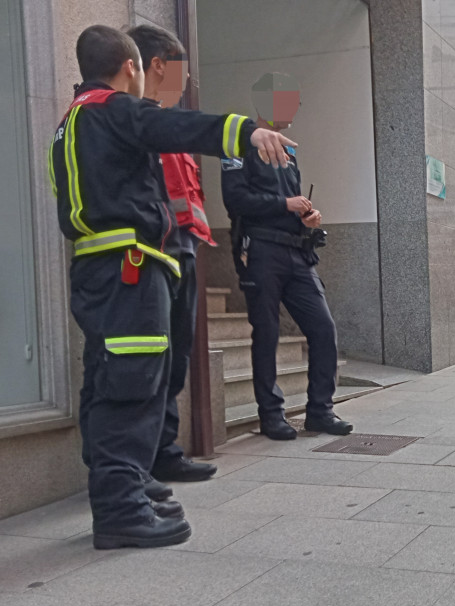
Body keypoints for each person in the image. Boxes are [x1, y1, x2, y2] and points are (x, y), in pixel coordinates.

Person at [50, 25, 294, 549]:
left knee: (107, 379)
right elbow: (177, 127)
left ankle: (122, 485)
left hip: (98, 269)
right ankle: (120, 510)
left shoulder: (70, 121)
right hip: (128, 270)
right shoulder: (113, 109)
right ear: (132, 68)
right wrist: (245, 130)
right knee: (132, 387)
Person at [221, 72, 352, 440]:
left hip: (297, 252)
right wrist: (284, 203)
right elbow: (235, 201)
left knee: (323, 327)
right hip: (259, 250)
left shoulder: (290, 150)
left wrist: (308, 216)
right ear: (267, 103)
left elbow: (293, 204)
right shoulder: (237, 146)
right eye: (288, 99)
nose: (295, 106)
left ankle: (320, 411)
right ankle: (271, 415)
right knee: (267, 333)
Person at [126, 24, 217, 484]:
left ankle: (163, 452)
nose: (185, 83)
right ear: (156, 66)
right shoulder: (135, 123)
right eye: (181, 72)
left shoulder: (163, 122)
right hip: (148, 258)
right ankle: (140, 464)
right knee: (151, 363)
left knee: (176, 357)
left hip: (181, 250)